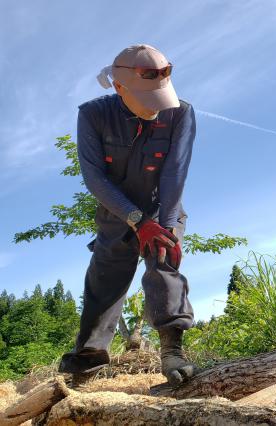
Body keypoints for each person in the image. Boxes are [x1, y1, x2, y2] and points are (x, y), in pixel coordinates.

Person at [58, 44, 199, 385]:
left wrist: (163, 226)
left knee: (163, 258)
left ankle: (172, 348)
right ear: (120, 87)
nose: (156, 108)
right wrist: (136, 219)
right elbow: (95, 178)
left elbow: (174, 173)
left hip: (163, 204)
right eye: (148, 99)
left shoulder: (181, 113)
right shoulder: (93, 116)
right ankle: (89, 358)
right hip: (116, 211)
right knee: (105, 277)